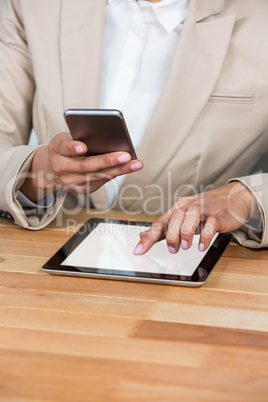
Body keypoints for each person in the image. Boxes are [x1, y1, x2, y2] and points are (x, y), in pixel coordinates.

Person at [0, 0, 267, 254]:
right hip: (45, 259)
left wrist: (245, 198)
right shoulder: (32, 6)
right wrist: (38, 169)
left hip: (206, 267)